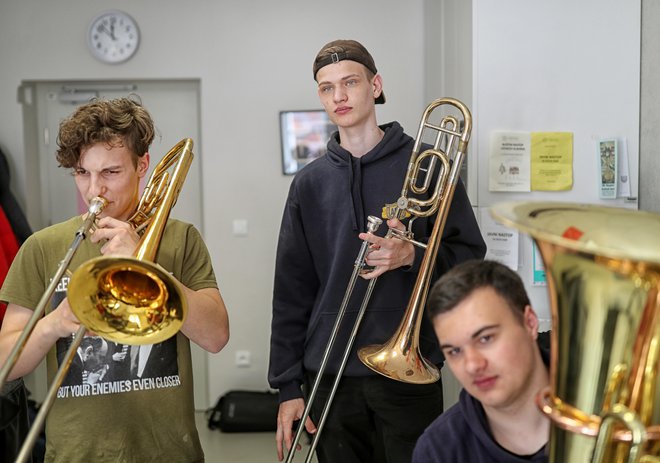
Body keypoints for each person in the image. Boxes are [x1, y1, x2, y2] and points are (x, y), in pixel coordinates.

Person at [268, 39, 487, 463]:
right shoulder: (308, 184)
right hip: (328, 370)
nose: (340, 96)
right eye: (327, 87)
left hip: (408, 369)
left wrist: (413, 258)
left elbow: (472, 263)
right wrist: (287, 385)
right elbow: (291, 289)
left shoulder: (427, 164)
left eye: (350, 82)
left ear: (376, 85)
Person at [0, 97, 230, 462]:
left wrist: (149, 266)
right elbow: (5, 363)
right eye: (81, 172)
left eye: (110, 172)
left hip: (168, 452)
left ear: (142, 166)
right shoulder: (42, 247)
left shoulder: (180, 237)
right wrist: (55, 323)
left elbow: (216, 336)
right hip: (76, 453)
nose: (94, 190)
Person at [412, 259, 550, 463]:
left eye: (485, 338)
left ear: (529, 323)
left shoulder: (603, 417)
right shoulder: (437, 451)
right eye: (455, 351)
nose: (472, 365)